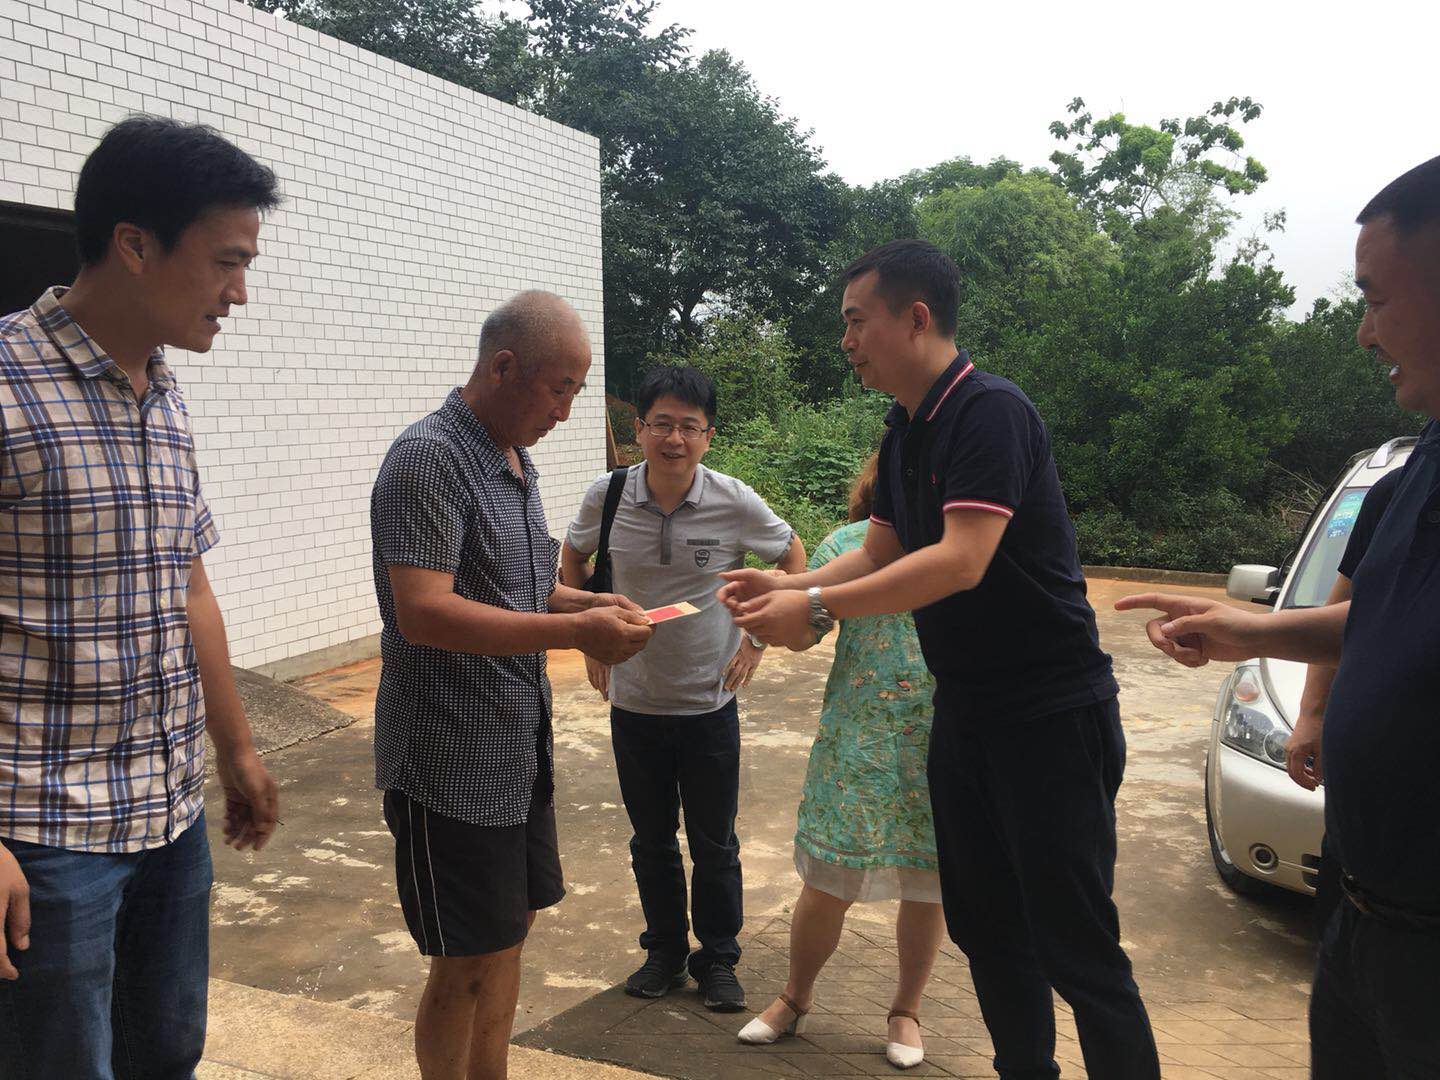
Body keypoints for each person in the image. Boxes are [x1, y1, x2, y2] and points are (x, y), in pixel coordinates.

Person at [720, 239, 1161, 1079]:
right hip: (965, 715)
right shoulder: (905, 431)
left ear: (915, 318)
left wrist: (813, 607)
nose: (846, 341)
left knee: (1075, 946)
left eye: (857, 321)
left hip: (1049, 715)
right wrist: (792, 583)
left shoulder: (989, 411)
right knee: (989, 931)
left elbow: (961, 560)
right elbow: (880, 551)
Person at [1117, 155, 1440, 1078]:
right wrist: (1253, 631)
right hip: (1359, 913)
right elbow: (1389, 623)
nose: (1363, 333)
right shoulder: (1418, 467)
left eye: (1376, 299)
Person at [0, 116, 282, 1079]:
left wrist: (237, 751)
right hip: (43, 836)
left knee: (166, 1052)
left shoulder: (164, 394)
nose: (239, 291)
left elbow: (188, 583)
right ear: (134, 244)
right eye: (226, 262)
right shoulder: (6, 386)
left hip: (169, 817)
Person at [370, 290, 653, 1080]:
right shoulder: (428, 458)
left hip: (514, 749)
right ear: (502, 367)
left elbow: (520, 590)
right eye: (558, 389)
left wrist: (589, 604)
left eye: (576, 391)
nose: (565, 411)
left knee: (509, 933)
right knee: (464, 957)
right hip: (447, 760)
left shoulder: (515, 461)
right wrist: (576, 634)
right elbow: (424, 612)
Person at [559, 365, 805, 1013]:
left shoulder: (734, 501)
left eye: (689, 427)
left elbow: (792, 557)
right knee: (651, 840)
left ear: (709, 435)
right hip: (634, 702)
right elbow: (572, 559)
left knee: (715, 842)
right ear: (638, 429)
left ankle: (718, 959)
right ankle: (665, 952)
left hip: (708, 704)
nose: (674, 439)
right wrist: (588, 635)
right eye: (661, 424)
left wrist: (757, 638)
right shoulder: (608, 496)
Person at [737, 454, 944, 1070]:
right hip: (857, 742)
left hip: (939, 739)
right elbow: (808, 632)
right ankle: (794, 998)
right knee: (827, 880)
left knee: (928, 881)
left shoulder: (965, 548)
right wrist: (770, 620)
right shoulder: (848, 545)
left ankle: (906, 1010)